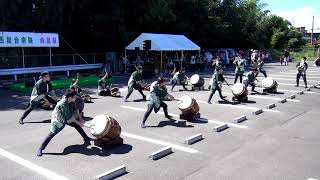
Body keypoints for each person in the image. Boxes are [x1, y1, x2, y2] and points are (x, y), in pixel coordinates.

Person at [36, 89, 92, 157]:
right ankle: (40, 148)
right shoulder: (62, 104)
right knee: (52, 133)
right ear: (70, 97)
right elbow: (69, 118)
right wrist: (79, 123)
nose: (75, 98)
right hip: (58, 119)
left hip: (67, 117)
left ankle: (86, 138)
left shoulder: (72, 100)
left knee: (76, 125)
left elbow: (76, 110)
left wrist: (81, 120)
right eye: (74, 97)